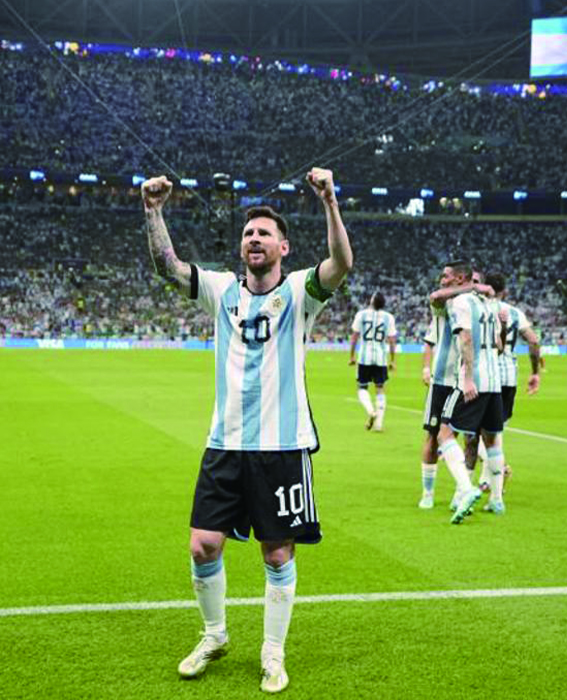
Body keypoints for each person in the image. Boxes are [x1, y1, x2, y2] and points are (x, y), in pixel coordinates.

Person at [143, 167, 353, 694]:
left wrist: (329, 201)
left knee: (277, 554)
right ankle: (214, 635)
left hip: (282, 446)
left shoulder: (301, 291)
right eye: (247, 233)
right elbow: (167, 266)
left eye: (263, 233)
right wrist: (153, 210)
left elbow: (342, 264)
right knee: (202, 546)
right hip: (225, 443)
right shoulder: (220, 291)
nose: (253, 238)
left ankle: (273, 651)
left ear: (283, 246)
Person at [428, 261, 508, 521]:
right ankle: (496, 499)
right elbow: (498, 345)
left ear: (461, 279)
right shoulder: (490, 305)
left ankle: (466, 488)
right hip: (494, 381)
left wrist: (470, 377)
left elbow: (465, 338)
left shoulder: (461, 302)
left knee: (445, 433)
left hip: (472, 380)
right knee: (491, 440)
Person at [474, 272, 541, 509]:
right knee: (496, 430)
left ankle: (496, 474)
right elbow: (533, 340)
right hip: (509, 376)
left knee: (474, 431)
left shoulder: (480, 308)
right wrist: (535, 372)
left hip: (486, 374)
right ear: (505, 291)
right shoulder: (514, 312)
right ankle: (489, 481)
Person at [417, 263, 468, 509]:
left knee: (461, 438)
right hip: (442, 381)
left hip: (464, 381)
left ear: (459, 278)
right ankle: (428, 493)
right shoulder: (444, 306)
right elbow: (435, 297)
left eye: (446, 276)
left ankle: (462, 490)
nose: (441, 279)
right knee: (433, 435)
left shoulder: (471, 305)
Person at [349, 292, 397, 432]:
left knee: (362, 387)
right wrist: (392, 360)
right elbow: (392, 340)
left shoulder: (361, 315)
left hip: (364, 357)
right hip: (381, 358)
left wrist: (351, 356)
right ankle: (379, 424)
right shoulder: (389, 317)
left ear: (372, 301)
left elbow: (354, 336)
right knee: (380, 389)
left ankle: (371, 411)